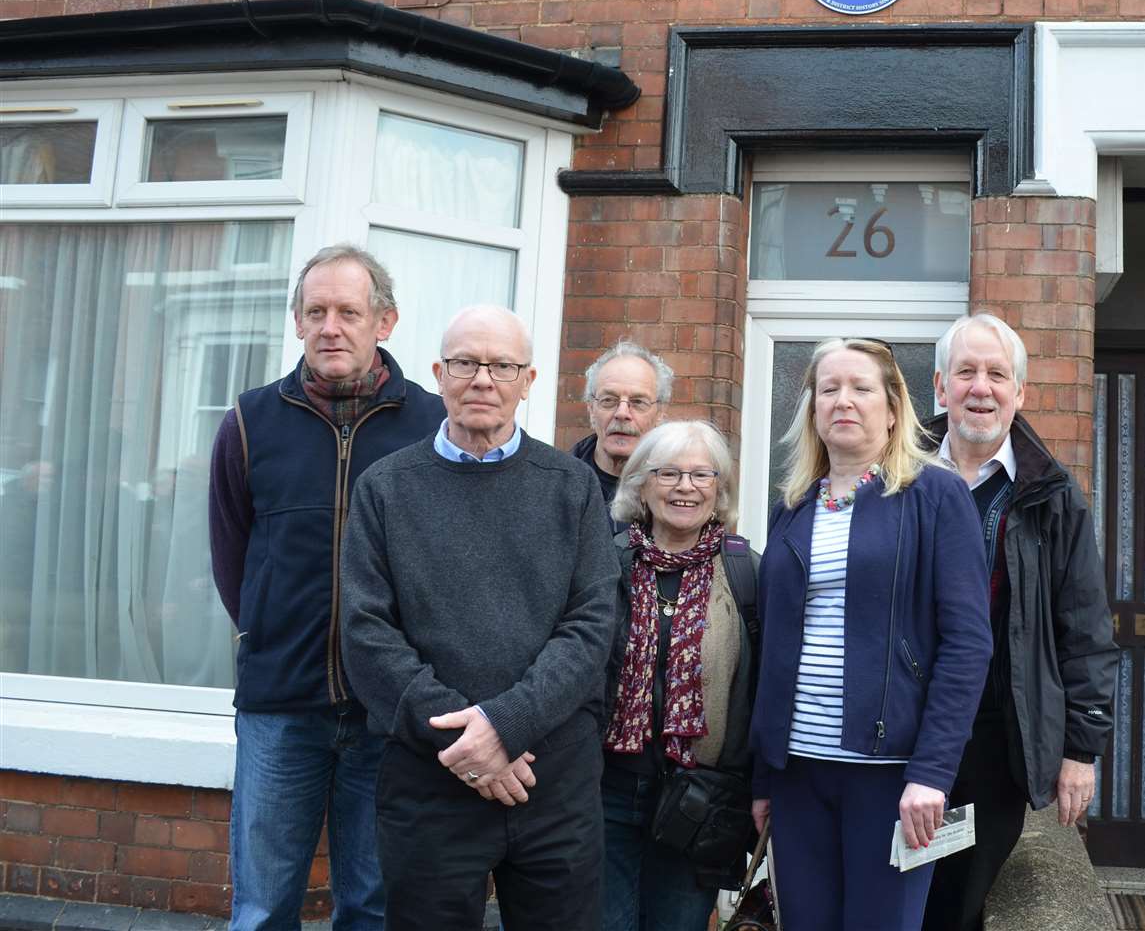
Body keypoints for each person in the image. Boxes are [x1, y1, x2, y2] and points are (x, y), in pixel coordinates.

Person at [340, 304, 618, 931]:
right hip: (430, 783)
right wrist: (467, 744)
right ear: (439, 373)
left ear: (529, 380)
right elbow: (366, 632)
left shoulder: (571, 487)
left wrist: (505, 726)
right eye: (465, 362)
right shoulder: (385, 487)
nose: (482, 379)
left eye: (502, 365)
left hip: (553, 783)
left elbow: (591, 625)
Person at [207, 245, 443, 931]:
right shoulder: (251, 421)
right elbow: (233, 554)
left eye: (348, 311)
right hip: (281, 704)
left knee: (371, 905)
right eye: (316, 312)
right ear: (297, 323)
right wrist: (265, 628)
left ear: (385, 322)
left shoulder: (430, 426)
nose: (330, 326)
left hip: (387, 710)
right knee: (261, 906)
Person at [749, 337, 993, 931]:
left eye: (860, 388)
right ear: (811, 410)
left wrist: (932, 773)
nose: (843, 401)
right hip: (798, 771)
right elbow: (772, 646)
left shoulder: (936, 495)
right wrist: (763, 776)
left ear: (893, 406)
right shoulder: (793, 506)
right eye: (828, 389)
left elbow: (967, 644)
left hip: (892, 775)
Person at [920, 314, 1118, 931]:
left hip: (993, 736)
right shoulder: (895, 474)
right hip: (897, 727)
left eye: (997, 375)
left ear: (1020, 392)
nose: (981, 388)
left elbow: (1084, 628)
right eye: (966, 373)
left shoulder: (1053, 495)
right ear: (939, 386)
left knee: (960, 900)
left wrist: (1080, 748)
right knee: (895, 895)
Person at [601, 419, 761, 931]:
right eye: (669, 473)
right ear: (641, 486)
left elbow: (763, 687)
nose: (685, 487)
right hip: (605, 793)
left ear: (720, 490)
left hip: (702, 801)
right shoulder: (605, 563)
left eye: (701, 475)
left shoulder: (748, 572)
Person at [572, 340, 674, 515]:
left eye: (638, 402)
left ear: (660, 413)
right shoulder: (556, 484)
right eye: (609, 400)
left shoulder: (679, 493)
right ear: (591, 409)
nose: (622, 413)